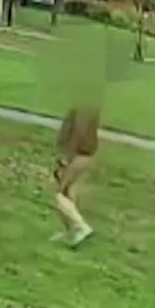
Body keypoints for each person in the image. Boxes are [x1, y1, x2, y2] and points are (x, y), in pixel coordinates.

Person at [51, 103, 100, 247]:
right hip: (85, 153)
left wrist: (66, 156)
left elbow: (76, 134)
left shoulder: (81, 110)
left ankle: (81, 226)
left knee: (60, 194)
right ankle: (71, 230)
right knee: (70, 192)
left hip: (79, 154)